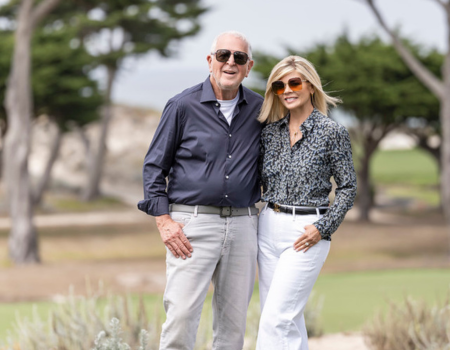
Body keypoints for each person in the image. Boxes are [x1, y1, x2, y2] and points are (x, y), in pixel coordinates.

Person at [137, 31, 263, 350]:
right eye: (223, 55)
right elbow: (154, 167)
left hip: (244, 225)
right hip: (191, 225)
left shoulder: (261, 110)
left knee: (233, 327)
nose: (230, 62)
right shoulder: (181, 105)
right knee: (180, 318)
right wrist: (164, 221)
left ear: (249, 67)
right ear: (210, 61)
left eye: (239, 58)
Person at [256, 56, 357, 349]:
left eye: (294, 82)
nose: (287, 89)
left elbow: (348, 187)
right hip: (268, 227)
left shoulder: (332, 132)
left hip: (307, 231)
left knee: (276, 320)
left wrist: (323, 227)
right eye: (279, 85)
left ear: (310, 86)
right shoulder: (270, 133)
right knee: (287, 319)